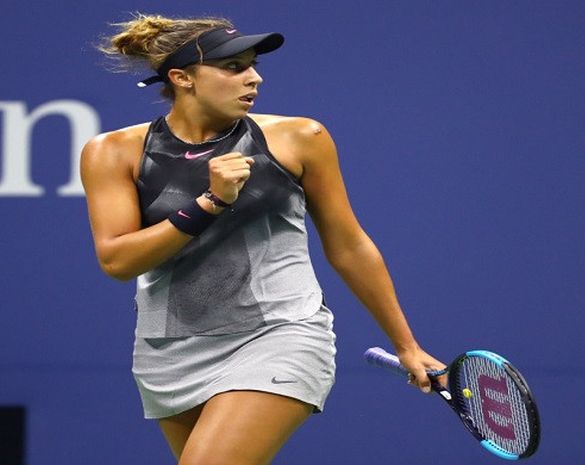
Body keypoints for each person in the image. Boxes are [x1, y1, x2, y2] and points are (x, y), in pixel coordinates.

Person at [81, 13, 445, 465]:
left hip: (279, 333)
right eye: (233, 67)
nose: (253, 78)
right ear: (181, 78)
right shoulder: (113, 152)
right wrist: (210, 202)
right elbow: (117, 261)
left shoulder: (300, 138)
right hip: (169, 349)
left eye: (252, 65)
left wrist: (406, 344)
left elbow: (349, 245)